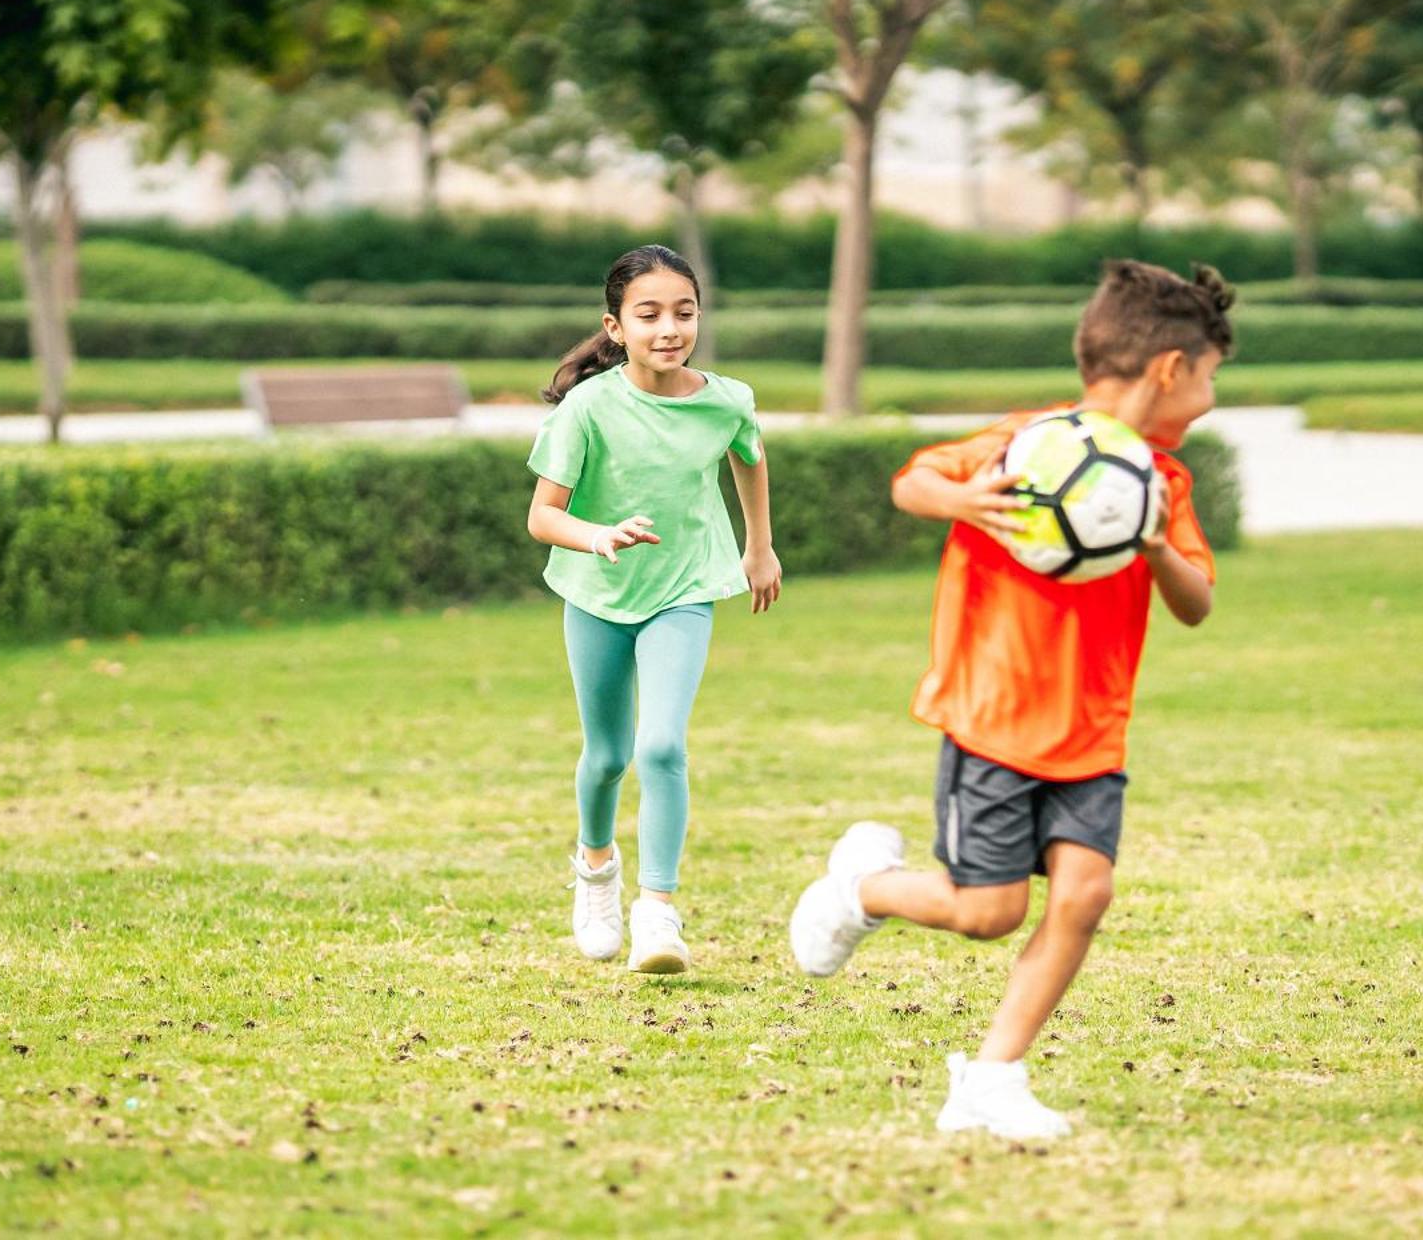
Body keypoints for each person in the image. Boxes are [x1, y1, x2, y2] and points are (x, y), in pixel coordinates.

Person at [789, 258, 1232, 1137]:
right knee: (987, 913)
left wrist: (1150, 545)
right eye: (1214, 377)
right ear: (1170, 369)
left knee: (1084, 895)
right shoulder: (1026, 445)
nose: (1214, 400)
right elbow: (911, 482)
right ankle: (863, 888)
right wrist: (967, 500)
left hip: (1093, 731)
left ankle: (993, 1078)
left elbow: (1197, 602)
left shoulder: (1161, 480)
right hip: (994, 720)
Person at [527, 244, 781, 974]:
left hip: (685, 589)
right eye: (649, 315)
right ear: (615, 326)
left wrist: (758, 546)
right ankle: (596, 872)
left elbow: (750, 456)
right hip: (599, 594)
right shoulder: (588, 408)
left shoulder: (727, 398)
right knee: (607, 755)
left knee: (662, 745)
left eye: (684, 312)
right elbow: (544, 517)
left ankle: (659, 913)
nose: (669, 328)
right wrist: (598, 535)